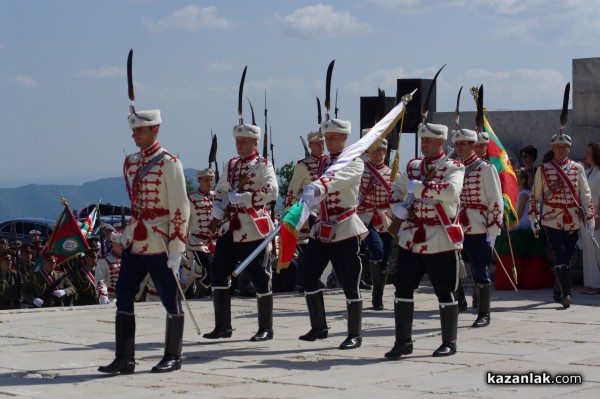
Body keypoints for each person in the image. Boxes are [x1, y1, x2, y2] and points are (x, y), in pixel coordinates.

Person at [99, 108, 190, 375]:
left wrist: (177, 247)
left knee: (169, 297)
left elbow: (180, 207)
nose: (134, 134)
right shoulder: (131, 162)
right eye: (134, 130)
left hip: (160, 241)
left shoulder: (169, 163)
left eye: (140, 130)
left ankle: (173, 355)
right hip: (135, 240)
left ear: (155, 130)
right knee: (124, 294)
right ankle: (124, 358)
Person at [385, 123, 464, 359]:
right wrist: (397, 209)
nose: (424, 144)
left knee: (445, 290)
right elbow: (396, 191)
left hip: (440, 238)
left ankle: (449, 341)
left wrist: (421, 188)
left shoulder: (454, 166)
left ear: (441, 142)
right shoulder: (412, 166)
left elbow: (451, 192)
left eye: (429, 140)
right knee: (402, 288)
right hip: (411, 237)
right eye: (423, 140)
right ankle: (402, 342)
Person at [297, 118, 369, 350]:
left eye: (334, 138)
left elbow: (336, 181)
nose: (329, 142)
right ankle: (319, 327)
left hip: (345, 227)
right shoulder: (324, 162)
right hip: (322, 227)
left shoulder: (355, 162)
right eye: (327, 138)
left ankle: (354, 334)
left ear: (345, 138)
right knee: (307, 273)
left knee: (350, 281)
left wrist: (318, 186)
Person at [205, 121, 278, 342]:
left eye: (244, 141)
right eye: (237, 141)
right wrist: (218, 205)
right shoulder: (232, 164)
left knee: (259, 276)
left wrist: (246, 198)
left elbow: (272, 191)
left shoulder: (263, 165)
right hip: (230, 227)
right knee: (218, 272)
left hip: (253, 228)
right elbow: (222, 187)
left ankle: (266, 328)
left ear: (255, 143)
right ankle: (222, 326)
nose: (240, 144)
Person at [528, 132, 594, 308]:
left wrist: (590, 217)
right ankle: (567, 294)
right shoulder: (544, 169)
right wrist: (533, 218)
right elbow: (536, 195)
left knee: (568, 255)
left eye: (563, 147)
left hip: (573, 218)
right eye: (557, 147)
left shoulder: (578, 168)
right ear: (552, 148)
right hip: (552, 218)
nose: (560, 150)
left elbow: (585, 194)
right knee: (559, 251)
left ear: (569, 148)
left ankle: (558, 290)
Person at [452, 128, 503, 327]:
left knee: (480, 271)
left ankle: (484, 313)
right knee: (452, 267)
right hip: (456, 226)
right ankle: (460, 301)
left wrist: (493, 231)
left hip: (478, 226)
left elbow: (496, 201)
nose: (459, 148)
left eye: (463, 144)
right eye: (457, 144)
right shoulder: (453, 167)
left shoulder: (485, 168)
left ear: (473, 145)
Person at [495, 169, 553, 290]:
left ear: (522, 179)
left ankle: (520, 280)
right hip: (514, 227)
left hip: (521, 228)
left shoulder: (524, 194)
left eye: (516, 176)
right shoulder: (514, 193)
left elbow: (519, 213)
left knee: (521, 254)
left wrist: (509, 224)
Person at [284, 131, 327, 291]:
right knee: (306, 247)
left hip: (326, 210)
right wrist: (289, 212)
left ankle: (312, 278)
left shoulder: (329, 162)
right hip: (309, 211)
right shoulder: (303, 165)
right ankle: (306, 279)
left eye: (322, 143)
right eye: (317, 144)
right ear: (310, 145)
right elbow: (292, 189)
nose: (321, 146)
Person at [357, 138, 394, 310]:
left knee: (385, 260)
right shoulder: (360, 171)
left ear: (385, 152)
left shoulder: (392, 173)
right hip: (366, 217)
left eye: (381, 150)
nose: (377, 153)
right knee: (376, 249)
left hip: (385, 218)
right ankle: (375, 294)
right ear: (368, 152)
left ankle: (378, 295)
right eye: (374, 150)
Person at [185, 168, 217, 298]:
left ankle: (211, 295)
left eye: (211, 180)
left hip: (214, 241)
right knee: (210, 269)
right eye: (206, 180)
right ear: (199, 180)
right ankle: (198, 295)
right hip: (197, 241)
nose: (209, 183)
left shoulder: (216, 197)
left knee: (219, 270)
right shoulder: (191, 199)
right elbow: (184, 220)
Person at [581, 143, 600, 295]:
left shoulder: (599, 173)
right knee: (587, 248)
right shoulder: (587, 171)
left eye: (589, 153)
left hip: (595, 212)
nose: (586, 155)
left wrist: (598, 216)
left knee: (595, 248)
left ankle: (597, 284)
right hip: (584, 212)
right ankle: (589, 282)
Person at [96, 231, 123, 304]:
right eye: (120, 244)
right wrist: (103, 296)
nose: (123, 247)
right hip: (111, 298)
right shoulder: (104, 261)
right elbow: (100, 281)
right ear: (114, 244)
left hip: (129, 297)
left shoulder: (131, 259)